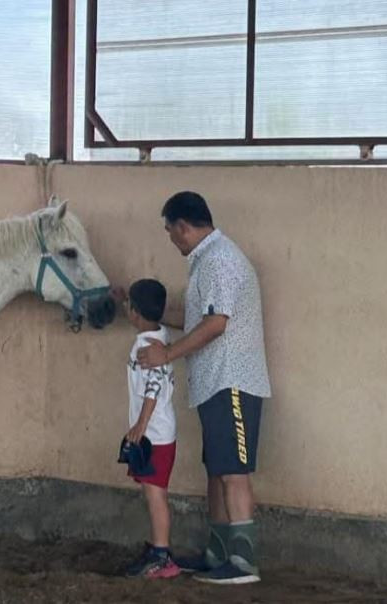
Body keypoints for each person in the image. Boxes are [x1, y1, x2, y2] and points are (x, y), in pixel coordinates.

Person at [137, 191, 271, 585]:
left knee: (232, 470)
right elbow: (199, 317)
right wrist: (145, 309)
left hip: (232, 379)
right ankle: (217, 552)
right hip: (215, 382)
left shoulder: (220, 260)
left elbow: (216, 324)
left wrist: (167, 354)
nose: (171, 239)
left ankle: (243, 561)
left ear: (182, 226)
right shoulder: (207, 261)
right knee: (216, 469)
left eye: (169, 231)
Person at [121, 279, 179, 579]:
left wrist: (141, 425)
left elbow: (153, 387)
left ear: (135, 312)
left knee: (156, 496)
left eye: (128, 305)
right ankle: (158, 549)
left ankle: (161, 557)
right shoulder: (159, 335)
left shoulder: (149, 347)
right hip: (156, 434)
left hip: (154, 436)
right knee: (152, 492)